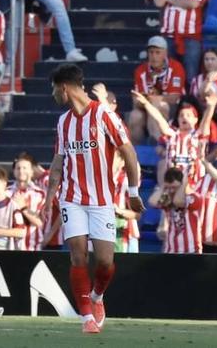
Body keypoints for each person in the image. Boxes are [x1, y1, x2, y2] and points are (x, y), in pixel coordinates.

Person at [46, 64, 145, 334]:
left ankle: (97, 297)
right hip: (72, 198)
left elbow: (130, 153)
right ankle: (86, 317)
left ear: (64, 88)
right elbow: (58, 161)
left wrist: (134, 193)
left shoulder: (104, 116)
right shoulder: (63, 122)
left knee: (104, 262)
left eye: (54, 89)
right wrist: (49, 196)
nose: (54, 95)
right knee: (78, 255)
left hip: (102, 199)